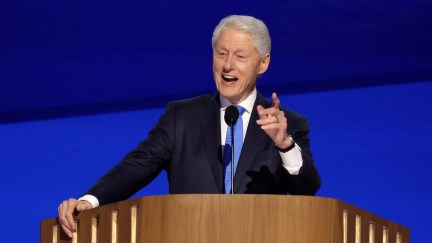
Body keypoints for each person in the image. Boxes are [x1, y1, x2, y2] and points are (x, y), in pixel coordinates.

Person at [58, 15, 321, 238]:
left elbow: (306, 189)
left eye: (240, 56)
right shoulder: (181, 116)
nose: (228, 65)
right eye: (221, 54)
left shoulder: (288, 125)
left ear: (263, 63)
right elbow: (138, 165)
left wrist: (284, 145)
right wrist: (89, 201)